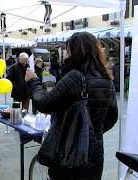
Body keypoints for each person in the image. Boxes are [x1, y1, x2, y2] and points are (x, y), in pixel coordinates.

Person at [25, 32, 118, 180]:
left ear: (76, 51)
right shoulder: (106, 78)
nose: (67, 54)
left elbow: (44, 104)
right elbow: (112, 117)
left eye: (68, 50)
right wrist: (91, 132)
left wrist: (33, 81)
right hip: (94, 155)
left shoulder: (75, 77)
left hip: (68, 156)